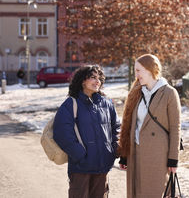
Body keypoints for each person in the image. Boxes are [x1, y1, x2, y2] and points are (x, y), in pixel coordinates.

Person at [119, 54, 181, 198]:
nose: (136, 75)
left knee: (154, 192)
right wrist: (124, 154)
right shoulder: (137, 92)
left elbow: (175, 128)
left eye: (138, 70)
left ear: (149, 69)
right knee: (137, 193)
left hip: (158, 154)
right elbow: (129, 125)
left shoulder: (169, 93)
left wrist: (173, 158)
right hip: (135, 151)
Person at [53, 65, 120, 198]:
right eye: (93, 78)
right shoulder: (70, 104)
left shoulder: (106, 104)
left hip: (102, 166)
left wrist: (114, 148)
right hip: (81, 168)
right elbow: (62, 133)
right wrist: (79, 154)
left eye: (99, 78)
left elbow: (116, 128)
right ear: (83, 81)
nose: (97, 81)